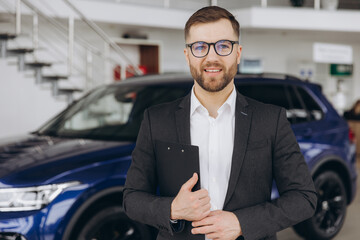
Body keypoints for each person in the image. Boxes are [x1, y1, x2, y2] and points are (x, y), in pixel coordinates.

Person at [123, 6, 317, 240]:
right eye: (200, 47)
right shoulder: (156, 120)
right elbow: (132, 198)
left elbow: (304, 197)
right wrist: (173, 209)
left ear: (238, 53)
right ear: (187, 55)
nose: (211, 57)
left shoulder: (270, 120)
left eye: (223, 45)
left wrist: (241, 223)